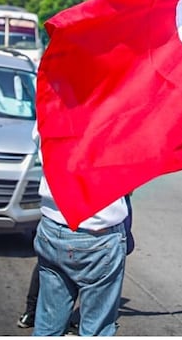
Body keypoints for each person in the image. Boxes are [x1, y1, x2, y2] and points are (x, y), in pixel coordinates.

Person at [32, 129, 129, 337]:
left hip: (52, 226)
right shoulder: (111, 117)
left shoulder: (52, 103)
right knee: (96, 329)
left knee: (48, 324)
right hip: (96, 235)